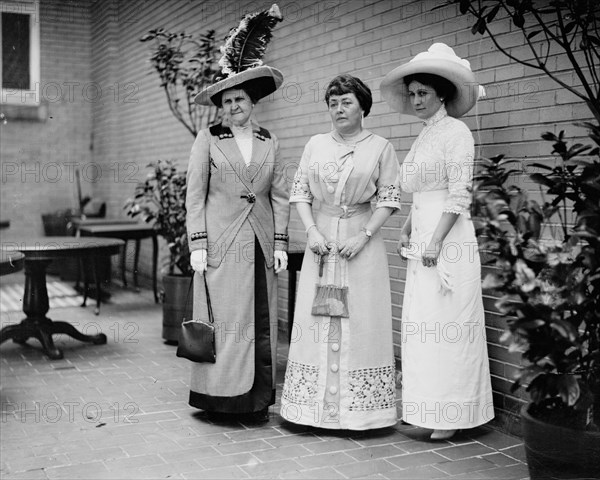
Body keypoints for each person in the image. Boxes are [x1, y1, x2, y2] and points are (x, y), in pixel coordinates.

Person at [380, 43, 494, 440]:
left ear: (441, 94)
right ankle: (425, 408)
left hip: (450, 238)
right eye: (412, 94)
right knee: (422, 323)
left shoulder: (456, 132)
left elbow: (459, 193)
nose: (416, 100)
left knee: (448, 323)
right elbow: (421, 191)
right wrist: (408, 228)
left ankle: (454, 414)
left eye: (423, 93)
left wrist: (436, 241)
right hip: (424, 234)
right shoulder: (425, 135)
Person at [185, 6, 289, 421]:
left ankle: (256, 401)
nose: (233, 106)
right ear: (221, 106)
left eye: (240, 99)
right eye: (226, 101)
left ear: (252, 101)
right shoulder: (208, 139)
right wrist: (197, 242)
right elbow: (194, 194)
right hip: (221, 244)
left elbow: (279, 195)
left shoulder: (269, 140)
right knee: (225, 323)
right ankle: (220, 399)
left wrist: (280, 241)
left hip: (260, 242)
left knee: (261, 323)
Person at [280, 74, 400, 430]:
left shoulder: (381, 147)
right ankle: (309, 409)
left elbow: (390, 199)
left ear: (363, 106)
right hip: (322, 242)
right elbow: (300, 193)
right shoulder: (315, 144)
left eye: (346, 102)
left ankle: (361, 413)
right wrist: (312, 230)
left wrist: (362, 236)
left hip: (360, 246)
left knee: (362, 318)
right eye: (333, 103)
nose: (338, 110)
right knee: (315, 321)